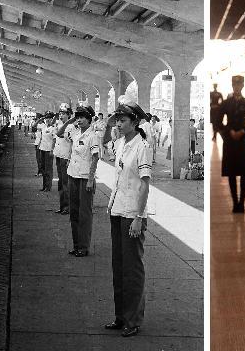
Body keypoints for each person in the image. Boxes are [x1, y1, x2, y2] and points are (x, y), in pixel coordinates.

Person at [101, 102, 152, 338]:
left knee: (132, 269)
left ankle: (133, 320)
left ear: (136, 123)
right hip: (117, 209)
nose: (118, 124)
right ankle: (120, 316)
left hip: (132, 213)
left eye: (123, 120)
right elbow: (106, 144)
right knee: (119, 267)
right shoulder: (121, 143)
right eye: (118, 120)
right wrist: (111, 123)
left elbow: (144, 184)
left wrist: (139, 218)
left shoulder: (143, 147)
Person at [57, 105, 99, 257]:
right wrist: (70, 121)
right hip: (73, 176)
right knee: (74, 212)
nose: (80, 120)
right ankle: (76, 245)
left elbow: (95, 157)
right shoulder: (75, 133)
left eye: (82, 117)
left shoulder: (92, 136)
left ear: (89, 119)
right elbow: (59, 133)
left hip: (84, 178)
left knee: (84, 214)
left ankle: (84, 246)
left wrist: (90, 179)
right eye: (78, 117)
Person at [217, 75, 245, 213]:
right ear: (232, 86)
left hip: (243, 141)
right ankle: (235, 203)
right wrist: (228, 133)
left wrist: (243, 131)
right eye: (235, 85)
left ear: (243, 86)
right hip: (230, 142)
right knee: (232, 173)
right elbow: (218, 122)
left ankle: (242, 202)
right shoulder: (225, 103)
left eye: (239, 85)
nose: (237, 87)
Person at [53, 104, 73, 214]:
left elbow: (61, 135)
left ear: (69, 115)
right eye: (60, 113)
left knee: (66, 183)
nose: (61, 115)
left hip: (65, 157)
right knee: (61, 183)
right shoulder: (59, 124)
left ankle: (67, 207)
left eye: (63, 113)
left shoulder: (71, 126)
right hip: (59, 155)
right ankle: (62, 206)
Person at [38, 112, 57, 192]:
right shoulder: (44, 127)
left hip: (49, 150)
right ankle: (44, 185)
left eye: (49, 118)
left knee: (48, 169)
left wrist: (52, 150)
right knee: (43, 168)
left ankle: (48, 186)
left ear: (52, 119)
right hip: (42, 149)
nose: (47, 120)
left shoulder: (53, 128)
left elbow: (54, 139)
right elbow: (35, 127)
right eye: (46, 118)